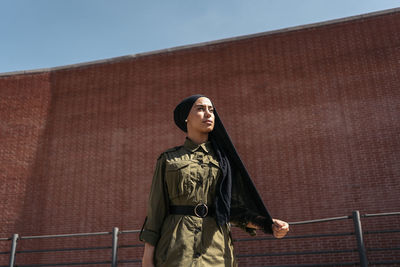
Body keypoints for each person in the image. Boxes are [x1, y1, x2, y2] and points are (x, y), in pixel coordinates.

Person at [140, 95, 289, 267]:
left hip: (217, 250)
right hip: (176, 248)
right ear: (186, 117)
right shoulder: (169, 160)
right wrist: (147, 256)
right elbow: (156, 210)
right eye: (201, 109)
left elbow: (233, 209)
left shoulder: (224, 161)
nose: (208, 114)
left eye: (211, 110)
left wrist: (268, 224)